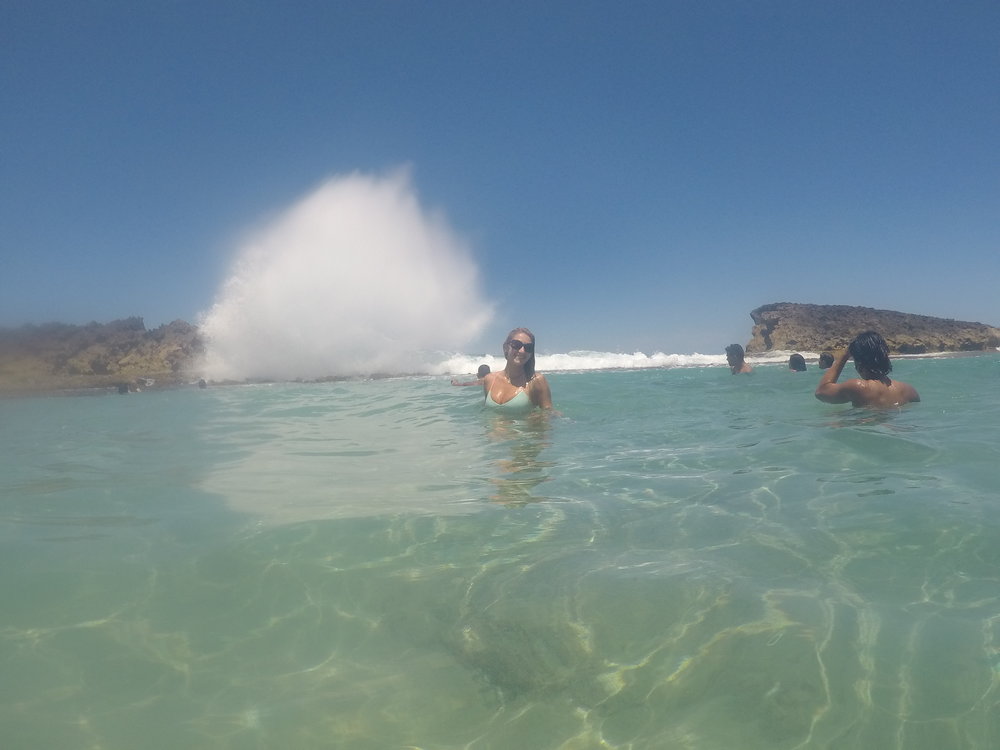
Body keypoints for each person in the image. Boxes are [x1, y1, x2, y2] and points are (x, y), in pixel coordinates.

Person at [815, 331, 920, 408]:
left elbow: (821, 392)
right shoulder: (910, 391)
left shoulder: (858, 386)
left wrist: (844, 356)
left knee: (833, 420)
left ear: (859, 362)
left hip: (866, 430)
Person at [482, 327, 552, 410]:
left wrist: (537, 417)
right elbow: (486, 413)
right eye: (517, 345)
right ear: (506, 348)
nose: (522, 351)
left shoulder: (536, 381)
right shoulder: (489, 380)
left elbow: (548, 414)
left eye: (528, 347)